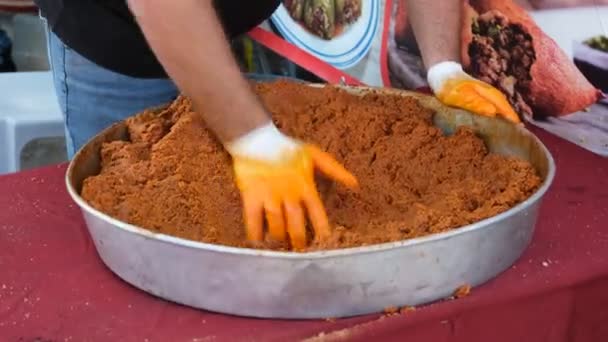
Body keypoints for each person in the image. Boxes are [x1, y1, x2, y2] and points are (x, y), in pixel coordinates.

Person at [36, 0, 518, 249]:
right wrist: (254, 140)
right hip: (115, 32)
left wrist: (443, 68)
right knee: (134, 233)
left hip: (223, 17)